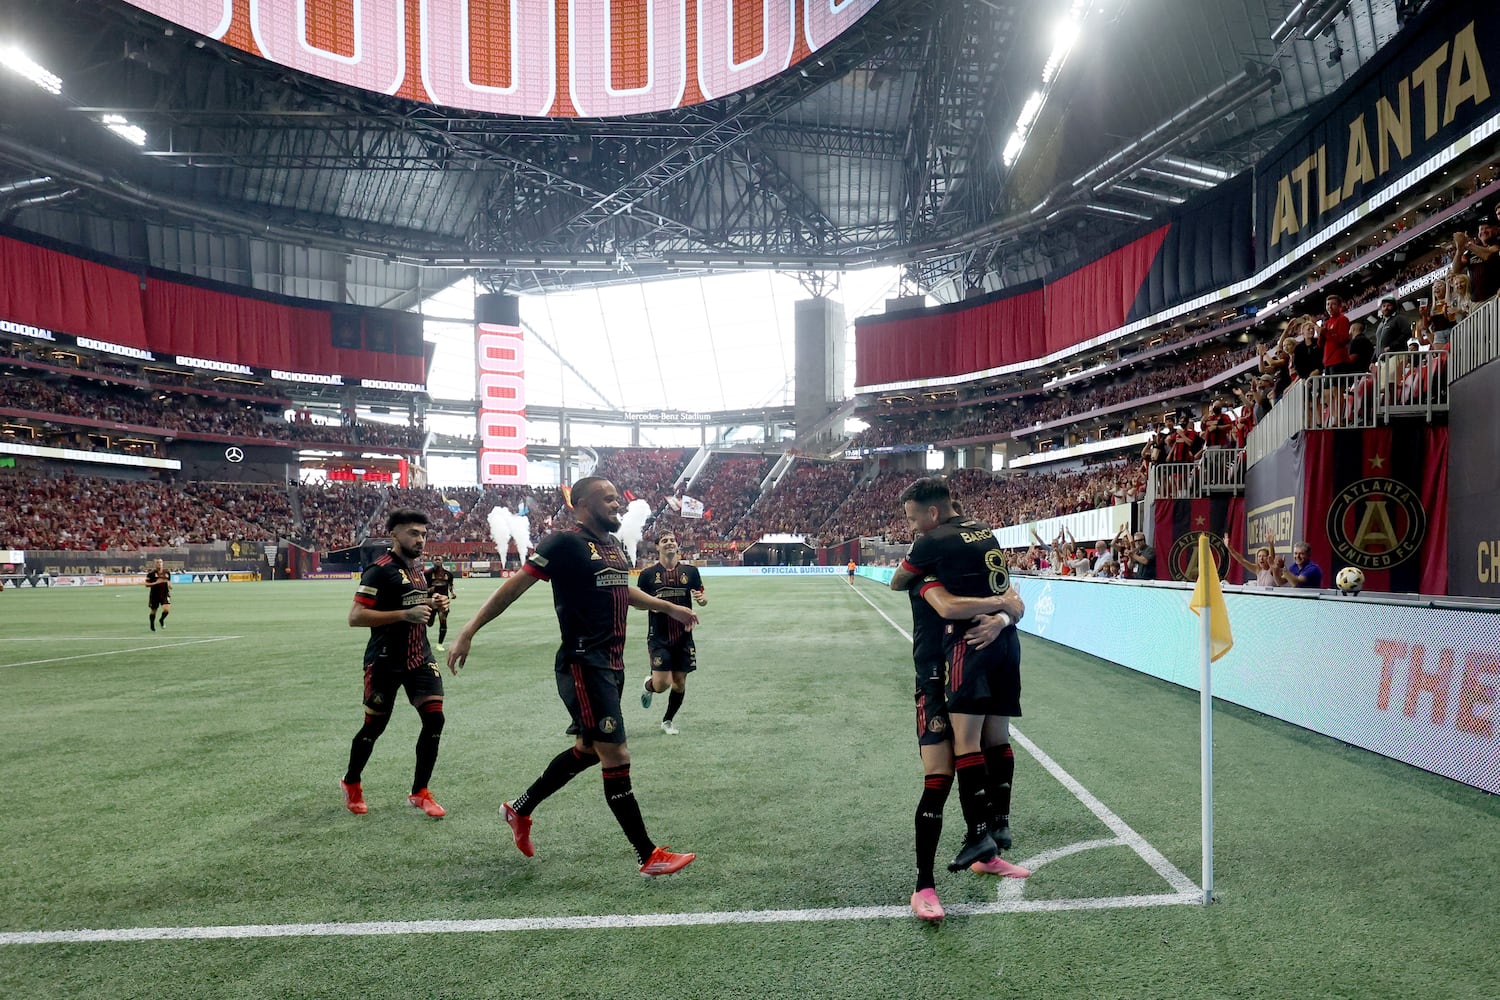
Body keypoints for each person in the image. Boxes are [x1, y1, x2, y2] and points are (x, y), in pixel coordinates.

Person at [446, 477, 699, 877]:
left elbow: (623, 591)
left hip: (612, 665)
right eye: (609, 498)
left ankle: (519, 809)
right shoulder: (564, 543)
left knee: (586, 750)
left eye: (619, 498)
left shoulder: (611, 546)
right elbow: (515, 587)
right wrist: (468, 630)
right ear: (581, 504)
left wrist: (669, 608)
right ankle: (647, 854)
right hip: (584, 663)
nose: (618, 504)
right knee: (616, 754)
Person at [893, 504, 1030, 924]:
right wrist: (1002, 603)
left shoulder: (963, 570)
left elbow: (1016, 603)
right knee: (939, 779)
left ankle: (985, 849)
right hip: (934, 681)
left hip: (968, 671)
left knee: (990, 749)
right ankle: (924, 885)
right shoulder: (929, 578)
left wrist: (1004, 615)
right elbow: (949, 607)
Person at [340, 509, 451, 819]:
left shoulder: (418, 569)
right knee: (374, 727)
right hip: (385, 661)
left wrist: (434, 604)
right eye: (413, 533)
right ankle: (351, 782)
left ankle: (420, 792)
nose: (420, 539)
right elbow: (355, 617)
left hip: (419, 658)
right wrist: (405, 614)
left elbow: (417, 610)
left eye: (424, 534)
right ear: (394, 534)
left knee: (434, 720)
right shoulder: (379, 570)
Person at [638, 533, 708, 736]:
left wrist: (702, 599)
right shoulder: (648, 575)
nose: (669, 543)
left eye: (672, 540)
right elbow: (638, 604)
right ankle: (648, 685)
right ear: (657, 548)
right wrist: (652, 606)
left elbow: (702, 599)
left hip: (684, 636)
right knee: (662, 685)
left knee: (679, 682)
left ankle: (667, 721)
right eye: (664, 541)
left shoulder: (691, 572)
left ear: (677, 547)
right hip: (659, 636)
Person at [426, 557, 457, 652]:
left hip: (443, 602)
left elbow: (450, 585)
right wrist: (429, 590)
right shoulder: (427, 573)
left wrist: (453, 593)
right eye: (435, 560)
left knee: (443, 621)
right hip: (430, 602)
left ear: (442, 561)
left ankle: (440, 644)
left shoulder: (448, 574)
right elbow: (422, 588)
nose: (437, 561)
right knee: (429, 623)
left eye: (439, 559)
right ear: (432, 562)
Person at [144, 558, 171, 631]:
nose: (159, 563)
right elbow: (146, 584)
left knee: (166, 610)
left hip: (165, 594)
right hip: (154, 595)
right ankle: (152, 625)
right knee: (153, 611)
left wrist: (169, 585)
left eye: (160, 562)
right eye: (157, 562)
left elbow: (169, 581)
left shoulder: (167, 572)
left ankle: (161, 620)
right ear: (155, 564)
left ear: (163, 563)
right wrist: (155, 583)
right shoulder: (151, 574)